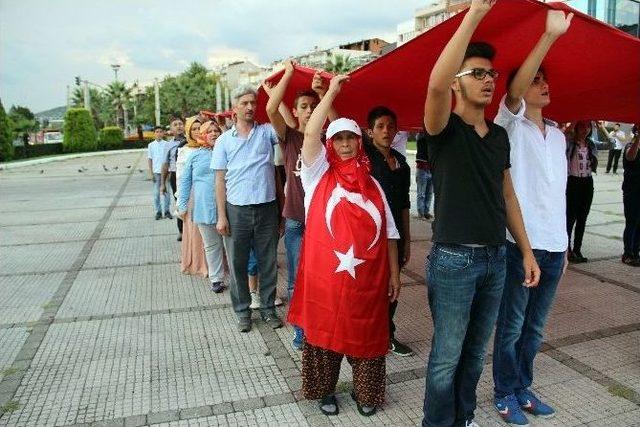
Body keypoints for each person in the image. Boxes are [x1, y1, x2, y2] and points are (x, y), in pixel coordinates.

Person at [420, 1, 540, 426]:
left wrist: (524, 251)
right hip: (453, 259)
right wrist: (473, 15)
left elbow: (508, 197)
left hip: (495, 259)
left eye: (491, 74)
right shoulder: (442, 130)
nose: (488, 80)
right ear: (458, 84)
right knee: (446, 357)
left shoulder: (500, 137)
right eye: (477, 74)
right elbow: (435, 88)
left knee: (474, 355)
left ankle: (464, 417)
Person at [288, 74, 401, 417]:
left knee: (366, 333)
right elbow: (309, 133)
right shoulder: (316, 174)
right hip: (325, 277)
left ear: (360, 142)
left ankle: (365, 393)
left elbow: (390, 234)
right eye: (338, 138)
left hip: (366, 282)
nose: (346, 144)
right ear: (330, 143)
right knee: (324, 333)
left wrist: (394, 275)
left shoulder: (374, 187)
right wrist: (332, 91)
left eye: (351, 137)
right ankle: (325, 392)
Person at [491, 9, 573, 426]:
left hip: (554, 246)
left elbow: (555, 195)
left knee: (535, 330)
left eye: (546, 79)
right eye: (535, 79)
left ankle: (522, 386)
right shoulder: (509, 125)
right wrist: (548, 36)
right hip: (520, 246)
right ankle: (504, 391)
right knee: (511, 325)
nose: (544, 84)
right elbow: (514, 94)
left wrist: (563, 245)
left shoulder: (557, 135)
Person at [264, 59, 333, 350]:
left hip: (323, 221)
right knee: (296, 279)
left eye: (312, 107)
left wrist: (323, 95)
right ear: (294, 112)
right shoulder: (289, 138)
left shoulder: (328, 138)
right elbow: (270, 110)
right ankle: (301, 331)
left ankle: (323, 326)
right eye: (302, 107)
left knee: (323, 279)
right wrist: (288, 75)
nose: (308, 111)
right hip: (296, 220)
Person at [212, 85, 282, 333]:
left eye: (253, 102)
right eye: (245, 103)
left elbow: (284, 128)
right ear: (235, 108)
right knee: (238, 263)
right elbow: (219, 180)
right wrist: (221, 216)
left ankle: (268, 309)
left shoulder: (266, 132)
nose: (250, 107)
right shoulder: (223, 141)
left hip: (266, 207)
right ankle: (242, 311)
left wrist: (275, 97)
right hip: (236, 210)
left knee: (268, 262)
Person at [364, 106, 414, 357]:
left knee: (394, 286)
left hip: (396, 236)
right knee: (372, 287)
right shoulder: (364, 158)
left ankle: (387, 335)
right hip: (370, 236)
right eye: (380, 127)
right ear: (370, 132)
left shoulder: (402, 162)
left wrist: (407, 241)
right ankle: (370, 334)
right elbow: (339, 126)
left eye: (390, 127)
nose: (386, 131)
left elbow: (405, 203)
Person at [177, 120, 226, 292]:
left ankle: (238, 276)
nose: (213, 134)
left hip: (228, 207)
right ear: (203, 135)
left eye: (216, 131)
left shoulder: (228, 151)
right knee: (211, 245)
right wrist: (181, 206)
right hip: (204, 208)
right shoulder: (195, 156)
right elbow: (185, 182)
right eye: (209, 131)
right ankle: (216, 278)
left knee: (231, 244)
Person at [178, 117, 208, 277]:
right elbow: (181, 179)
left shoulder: (211, 147)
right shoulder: (184, 151)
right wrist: (180, 203)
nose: (197, 132)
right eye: (194, 129)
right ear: (189, 132)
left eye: (199, 128)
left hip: (208, 196)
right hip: (192, 198)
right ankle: (198, 264)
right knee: (195, 231)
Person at [565, 120, 598, 263]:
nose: (585, 130)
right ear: (577, 128)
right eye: (582, 126)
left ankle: (577, 249)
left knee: (582, 218)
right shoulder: (570, 143)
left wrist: (601, 127)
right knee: (570, 217)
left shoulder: (591, 144)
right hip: (573, 182)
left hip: (587, 182)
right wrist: (573, 123)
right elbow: (565, 137)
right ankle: (567, 249)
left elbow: (610, 143)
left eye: (588, 127)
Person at [161, 118, 186, 241]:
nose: (178, 126)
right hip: (175, 176)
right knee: (179, 203)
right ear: (171, 129)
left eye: (180, 124)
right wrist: (162, 184)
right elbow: (165, 165)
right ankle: (181, 230)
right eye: (175, 125)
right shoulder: (169, 145)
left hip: (189, 175)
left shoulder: (190, 141)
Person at [621, 124, 640, 266]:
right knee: (631, 222)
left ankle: (636, 251)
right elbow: (630, 157)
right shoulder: (630, 145)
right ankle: (628, 253)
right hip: (632, 191)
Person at [147, 126, 172, 220]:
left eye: (161, 131)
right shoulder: (151, 145)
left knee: (167, 192)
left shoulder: (167, 144)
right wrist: (151, 173)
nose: (159, 133)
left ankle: (167, 211)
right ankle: (158, 211)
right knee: (156, 194)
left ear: (163, 133)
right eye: (157, 132)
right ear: (154, 133)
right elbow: (150, 159)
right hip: (156, 172)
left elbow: (169, 159)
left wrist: (169, 172)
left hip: (166, 172)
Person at [415, 130, 433, 220]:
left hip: (431, 169)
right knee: (421, 193)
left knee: (429, 193)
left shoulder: (433, 137)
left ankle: (426, 212)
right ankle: (421, 213)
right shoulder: (421, 136)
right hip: (422, 169)